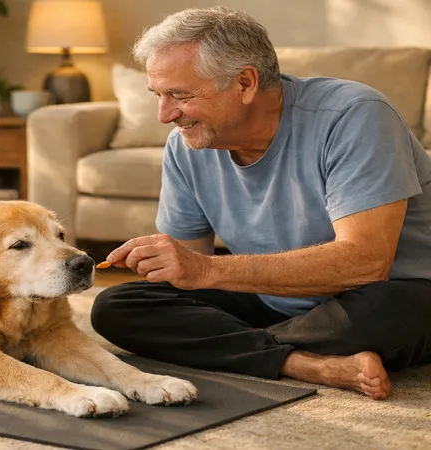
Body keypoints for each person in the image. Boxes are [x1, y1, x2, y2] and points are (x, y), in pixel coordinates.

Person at [90, 6, 431, 400]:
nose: (165, 115)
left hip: (386, 293)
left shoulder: (353, 116)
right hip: (276, 302)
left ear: (246, 83)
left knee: (382, 316)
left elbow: (367, 263)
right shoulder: (186, 147)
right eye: (159, 96)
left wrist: (203, 274)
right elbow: (186, 279)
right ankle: (304, 363)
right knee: (118, 307)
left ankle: (250, 349)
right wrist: (173, 265)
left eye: (179, 95)